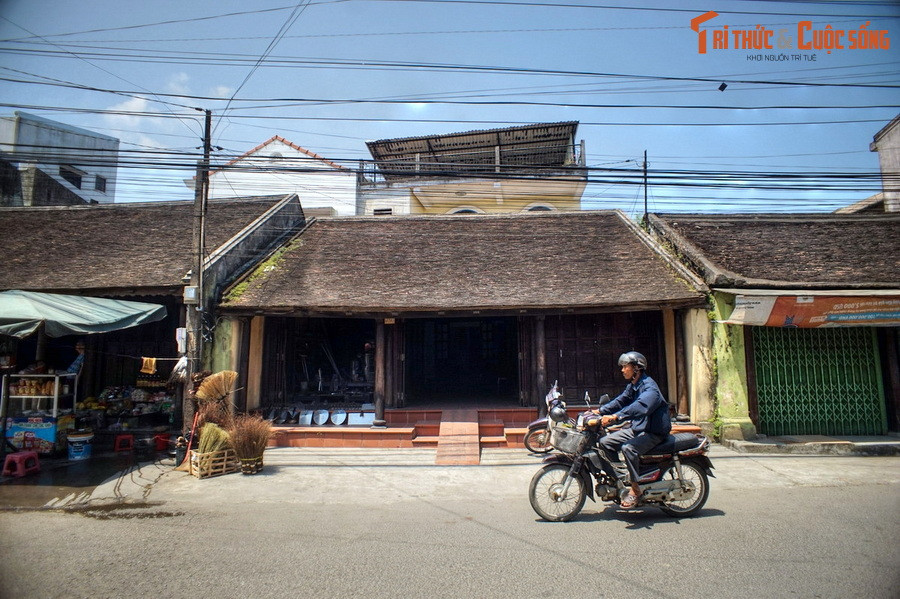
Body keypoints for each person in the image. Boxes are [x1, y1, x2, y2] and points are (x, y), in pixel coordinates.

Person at [595, 351, 671, 509]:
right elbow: (621, 400)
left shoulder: (650, 388)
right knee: (605, 442)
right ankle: (621, 479)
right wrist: (600, 411)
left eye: (625, 367)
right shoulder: (634, 385)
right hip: (638, 428)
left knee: (628, 448)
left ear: (636, 368)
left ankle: (635, 490)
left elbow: (640, 407)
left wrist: (616, 417)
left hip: (653, 432)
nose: (622, 370)